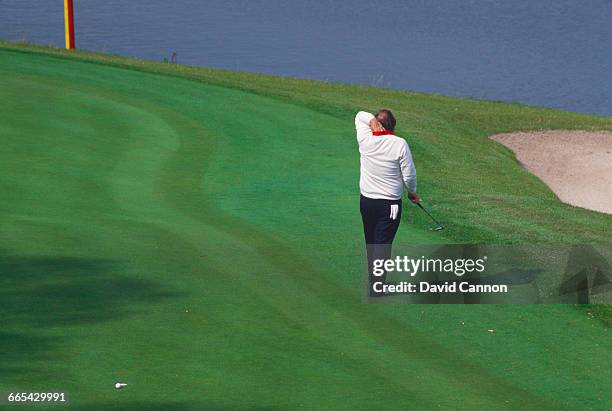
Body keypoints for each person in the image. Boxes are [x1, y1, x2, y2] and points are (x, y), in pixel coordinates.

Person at [355, 109, 419, 296]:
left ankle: (374, 281)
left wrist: (373, 123)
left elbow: (360, 115)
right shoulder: (399, 143)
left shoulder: (366, 139)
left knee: (372, 240)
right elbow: (409, 175)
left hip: (366, 201)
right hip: (389, 204)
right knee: (382, 243)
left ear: (376, 123)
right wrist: (412, 193)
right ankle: (377, 286)